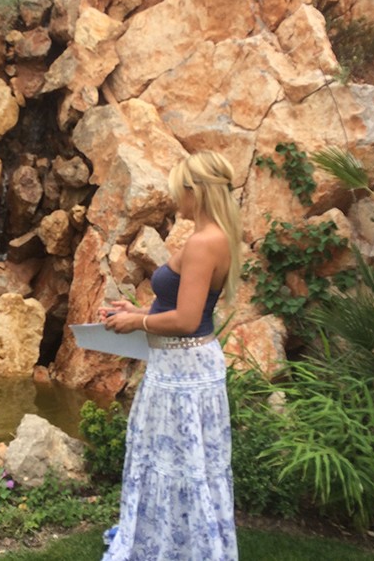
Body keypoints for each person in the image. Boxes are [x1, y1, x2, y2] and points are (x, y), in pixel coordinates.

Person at [99, 151, 241, 560]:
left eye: (180, 190)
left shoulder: (203, 242)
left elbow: (186, 319)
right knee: (187, 462)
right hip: (187, 364)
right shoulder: (218, 236)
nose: (176, 199)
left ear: (197, 192)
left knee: (176, 463)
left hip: (184, 370)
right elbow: (180, 307)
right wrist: (137, 311)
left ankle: (171, 550)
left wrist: (137, 324)